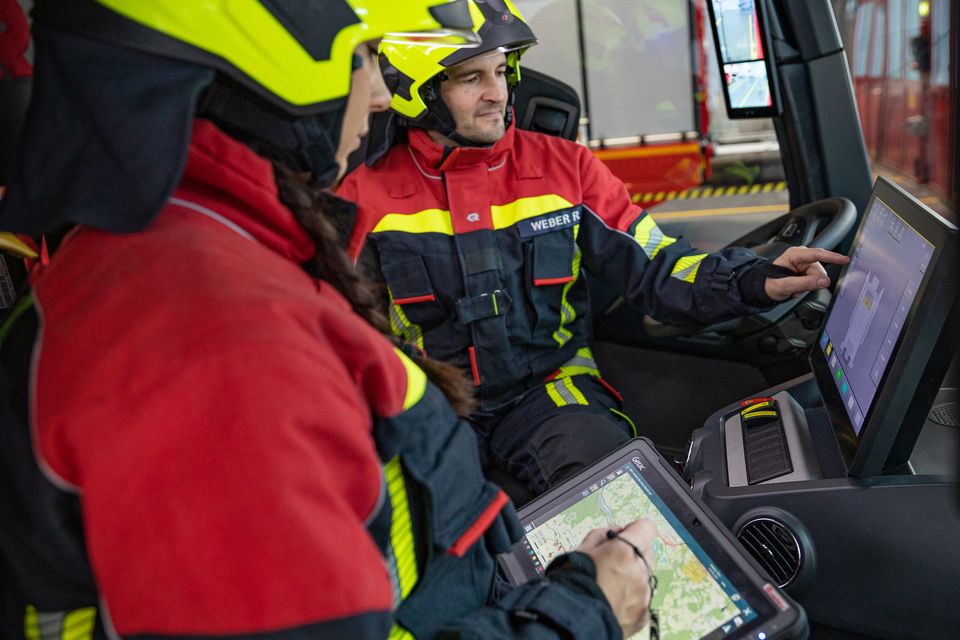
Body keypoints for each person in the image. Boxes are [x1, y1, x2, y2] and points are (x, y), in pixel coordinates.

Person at [0, 1, 656, 639]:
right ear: (282, 72)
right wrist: (583, 613)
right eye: (364, 59)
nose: (379, 97)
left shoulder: (203, 254)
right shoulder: (215, 337)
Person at [338, 0, 849, 500]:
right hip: (429, 405)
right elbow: (341, 332)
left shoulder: (568, 169)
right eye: (471, 78)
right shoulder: (361, 195)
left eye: (502, 70)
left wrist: (754, 278)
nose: (497, 93)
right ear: (418, 90)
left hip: (549, 392)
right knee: (411, 536)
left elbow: (658, 266)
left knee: (621, 498)